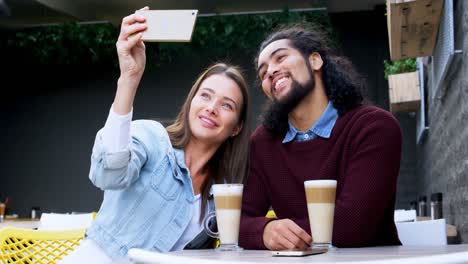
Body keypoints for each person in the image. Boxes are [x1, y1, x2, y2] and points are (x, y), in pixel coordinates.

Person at [61, 8, 250, 263]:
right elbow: (107, 174)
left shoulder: (222, 193)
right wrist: (129, 77)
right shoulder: (153, 139)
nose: (211, 107)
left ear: (237, 127)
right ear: (191, 101)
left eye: (227, 105)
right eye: (205, 95)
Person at [239, 24, 402, 250]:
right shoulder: (263, 143)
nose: (270, 72)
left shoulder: (374, 127)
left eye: (280, 58)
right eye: (263, 72)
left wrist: (282, 234)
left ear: (315, 60)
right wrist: (265, 231)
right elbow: (239, 221)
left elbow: (352, 225)